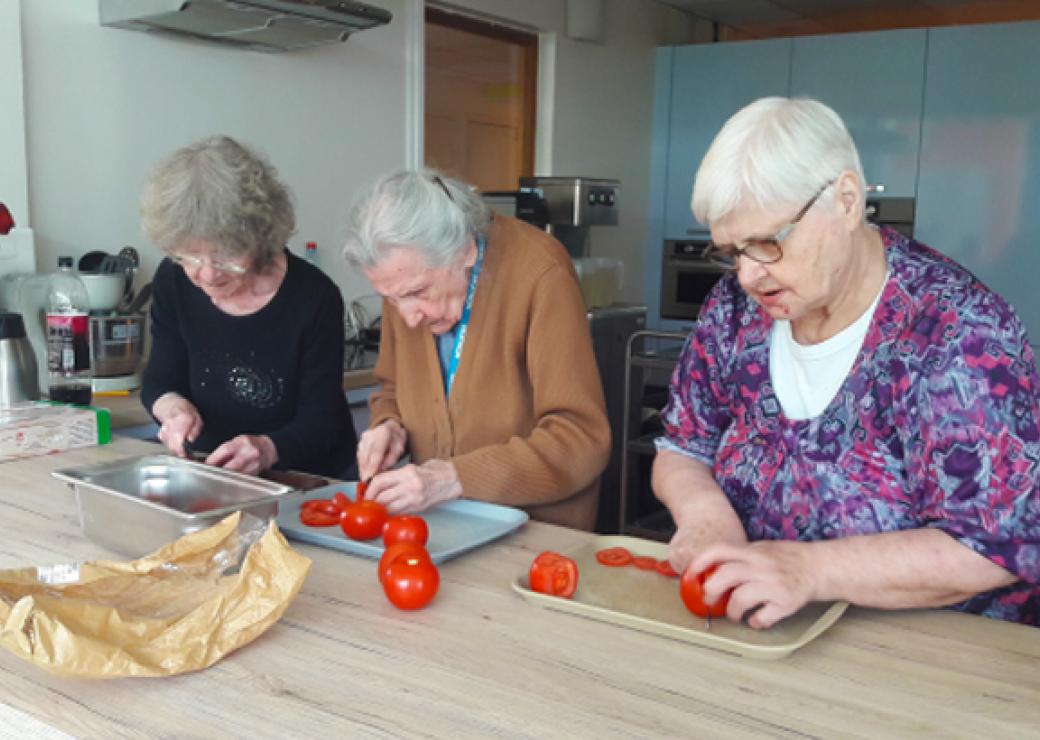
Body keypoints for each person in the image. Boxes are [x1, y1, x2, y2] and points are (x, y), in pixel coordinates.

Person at [654, 97, 1040, 628]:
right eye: (731, 251)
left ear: (847, 200)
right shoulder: (733, 309)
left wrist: (805, 570)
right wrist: (705, 517)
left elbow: (998, 544)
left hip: (931, 659)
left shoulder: (957, 329)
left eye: (768, 243)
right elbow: (682, 447)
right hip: (755, 631)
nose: (747, 275)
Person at [342, 169, 610, 530]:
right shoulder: (406, 280)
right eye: (389, 299)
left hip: (536, 534)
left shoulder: (541, 273)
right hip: (443, 528)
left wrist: (456, 477)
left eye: (417, 293)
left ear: (465, 252)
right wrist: (390, 425)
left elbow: (581, 440)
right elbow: (392, 387)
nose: (406, 317)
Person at [140, 135, 357, 477]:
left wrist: (267, 448)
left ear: (260, 238)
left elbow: (321, 422)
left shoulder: (313, 297)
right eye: (191, 255)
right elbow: (158, 379)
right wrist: (171, 409)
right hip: (213, 472)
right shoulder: (174, 280)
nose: (208, 273)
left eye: (227, 254)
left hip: (307, 480)